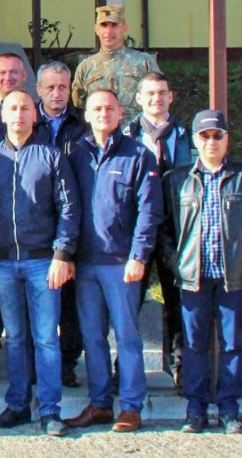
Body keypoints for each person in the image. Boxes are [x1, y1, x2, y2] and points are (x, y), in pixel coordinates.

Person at [161, 110, 242, 435]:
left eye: (217, 135)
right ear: (195, 141)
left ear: (227, 139)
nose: (211, 141)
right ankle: (195, 410)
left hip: (233, 279)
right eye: (205, 136)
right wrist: (178, 263)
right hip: (193, 280)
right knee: (193, 345)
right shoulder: (176, 180)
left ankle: (229, 410)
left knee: (232, 345)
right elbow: (163, 230)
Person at [0, 91, 80, 437]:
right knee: (15, 337)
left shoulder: (51, 157)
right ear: (3, 115)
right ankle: (18, 405)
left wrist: (62, 255)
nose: (19, 114)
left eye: (25, 108)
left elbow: (69, 209)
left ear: (34, 116)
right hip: (3, 263)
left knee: (46, 338)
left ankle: (50, 410)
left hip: (42, 262)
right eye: (13, 108)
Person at [65, 89, 163, 434]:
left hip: (122, 263)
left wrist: (139, 255)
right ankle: (100, 404)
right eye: (96, 108)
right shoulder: (76, 154)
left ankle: (132, 407)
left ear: (121, 113)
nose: (103, 113)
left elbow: (149, 211)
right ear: (86, 115)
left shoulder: (138, 155)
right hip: (85, 263)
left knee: (126, 336)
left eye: (109, 108)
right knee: (92, 337)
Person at [123, 71, 192, 387]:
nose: (156, 99)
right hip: (138, 229)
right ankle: (123, 367)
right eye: (150, 93)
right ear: (139, 98)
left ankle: (181, 368)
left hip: (176, 229)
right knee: (130, 301)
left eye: (162, 93)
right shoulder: (126, 135)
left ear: (171, 97)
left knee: (177, 300)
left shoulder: (187, 135)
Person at [32, 59, 89, 387]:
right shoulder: (27, 122)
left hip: (72, 220)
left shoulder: (83, 127)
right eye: (51, 87)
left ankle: (67, 363)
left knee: (70, 302)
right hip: (36, 224)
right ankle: (33, 365)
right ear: (38, 89)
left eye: (63, 87)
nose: (57, 93)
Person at [71, 5, 161, 121]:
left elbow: (158, 97)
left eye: (114, 25)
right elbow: (79, 106)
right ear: (96, 29)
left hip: (136, 129)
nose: (108, 31)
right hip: (100, 129)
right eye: (104, 25)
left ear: (124, 27)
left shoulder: (143, 62)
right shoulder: (86, 67)